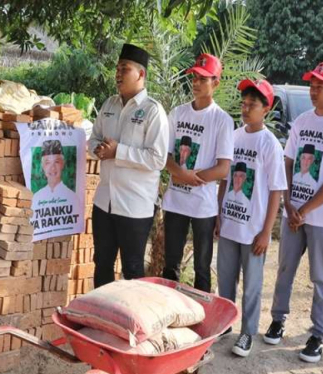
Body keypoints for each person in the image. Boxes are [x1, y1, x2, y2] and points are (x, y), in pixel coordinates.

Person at [265, 62, 323, 363]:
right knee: (285, 270)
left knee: (320, 276)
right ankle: (278, 319)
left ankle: (318, 335)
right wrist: (289, 204)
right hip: (294, 214)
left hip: (321, 219)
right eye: (312, 85)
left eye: (320, 86)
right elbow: (287, 164)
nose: (314, 90)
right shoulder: (302, 122)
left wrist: (304, 209)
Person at [216, 78, 287, 357]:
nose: (246, 109)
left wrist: (266, 231)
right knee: (225, 279)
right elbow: (224, 178)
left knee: (252, 284)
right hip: (230, 224)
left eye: (253, 105)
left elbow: (275, 192)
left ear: (266, 109)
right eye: (244, 104)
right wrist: (219, 214)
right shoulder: (233, 136)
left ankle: (248, 332)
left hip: (253, 229)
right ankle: (225, 323)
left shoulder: (270, 144)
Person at [88, 44, 169, 288]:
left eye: (125, 69)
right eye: (117, 68)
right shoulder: (109, 105)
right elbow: (92, 138)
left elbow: (158, 159)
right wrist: (99, 150)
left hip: (134, 207)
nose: (118, 74)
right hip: (104, 202)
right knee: (101, 264)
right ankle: (101, 321)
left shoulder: (153, 111)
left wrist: (118, 152)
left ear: (141, 74)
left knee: (132, 271)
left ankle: (131, 325)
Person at [162, 53, 232, 293]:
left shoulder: (222, 120)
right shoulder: (177, 113)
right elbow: (165, 156)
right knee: (170, 266)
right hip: (175, 202)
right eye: (195, 77)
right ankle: (170, 316)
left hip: (203, 206)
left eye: (204, 78)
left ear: (216, 83)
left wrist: (192, 178)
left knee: (202, 268)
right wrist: (181, 174)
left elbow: (224, 167)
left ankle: (203, 321)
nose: (197, 83)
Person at [32, 139, 77, 204]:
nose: (52, 168)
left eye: (56, 162)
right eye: (48, 163)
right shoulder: (36, 197)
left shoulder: (72, 197)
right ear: (42, 165)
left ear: (63, 164)